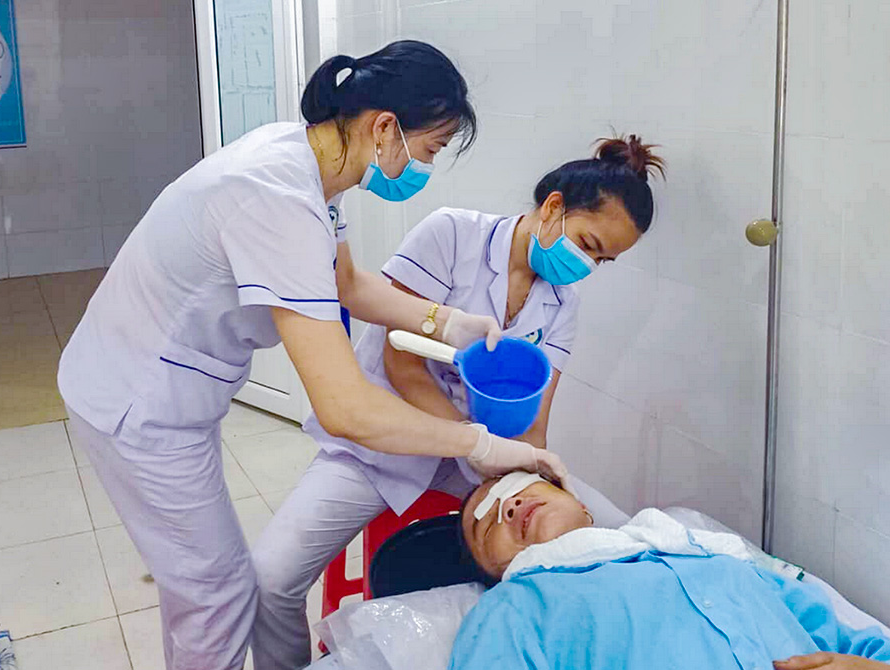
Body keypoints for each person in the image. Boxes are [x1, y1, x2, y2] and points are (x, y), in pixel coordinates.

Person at [57, 40, 567, 670]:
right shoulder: (278, 197)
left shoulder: (308, 166)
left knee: (208, 587)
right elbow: (345, 407)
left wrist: (448, 321)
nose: (424, 168)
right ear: (385, 129)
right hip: (138, 401)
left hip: (168, 388)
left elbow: (348, 283)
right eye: (430, 150)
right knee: (218, 596)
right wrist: (481, 444)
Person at [252, 136, 665, 669]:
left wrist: (527, 471)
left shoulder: (562, 303)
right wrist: (476, 444)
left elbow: (536, 419)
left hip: (477, 466)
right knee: (270, 579)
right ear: (554, 207)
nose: (586, 265)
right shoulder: (453, 235)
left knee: (616, 529)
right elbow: (402, 364)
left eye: (602, 260)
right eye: (587, 245)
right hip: (381, 447)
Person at [452, 473, 890, 670]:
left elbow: (863, 645)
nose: (507, 504)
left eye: (517, 484)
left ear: (579, 503)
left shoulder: (715, 557)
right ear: (495, 570)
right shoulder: (514, 609)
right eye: (486, 523)